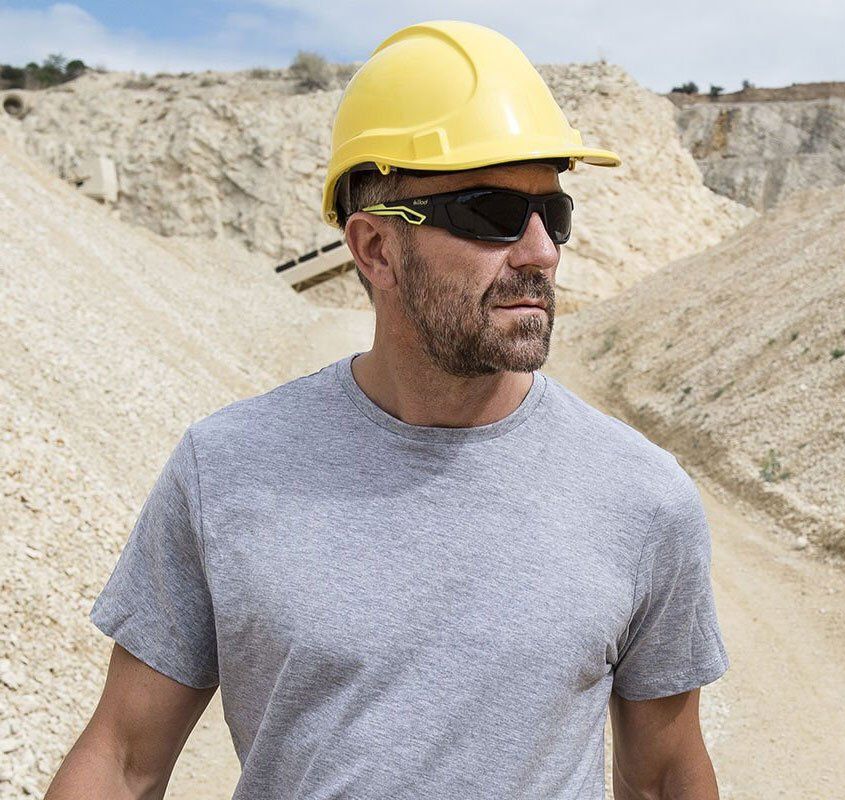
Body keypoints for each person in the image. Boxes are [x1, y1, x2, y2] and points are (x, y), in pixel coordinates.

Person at [45, 19, 730, 800]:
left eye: (555, 212)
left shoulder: (644, 497)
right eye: (491, 213)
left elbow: (665, 778)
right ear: (373, 248)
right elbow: (123, 761)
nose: (541, 251)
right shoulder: (226, 469)